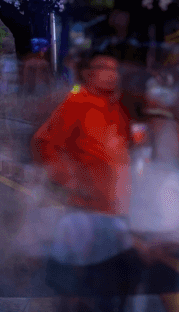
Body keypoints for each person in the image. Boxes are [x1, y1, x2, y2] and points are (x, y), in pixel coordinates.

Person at [32, 53, 143, 312]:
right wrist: (68, 180)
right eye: (105, 68)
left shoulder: (117, 109)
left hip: (116, 212)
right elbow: (43, 143)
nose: (112, 74)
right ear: (88, 73)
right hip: (85, 213)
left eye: (115, 69)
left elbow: (126, 147)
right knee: (80, 289)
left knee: (112, 286)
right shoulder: (75, 104)